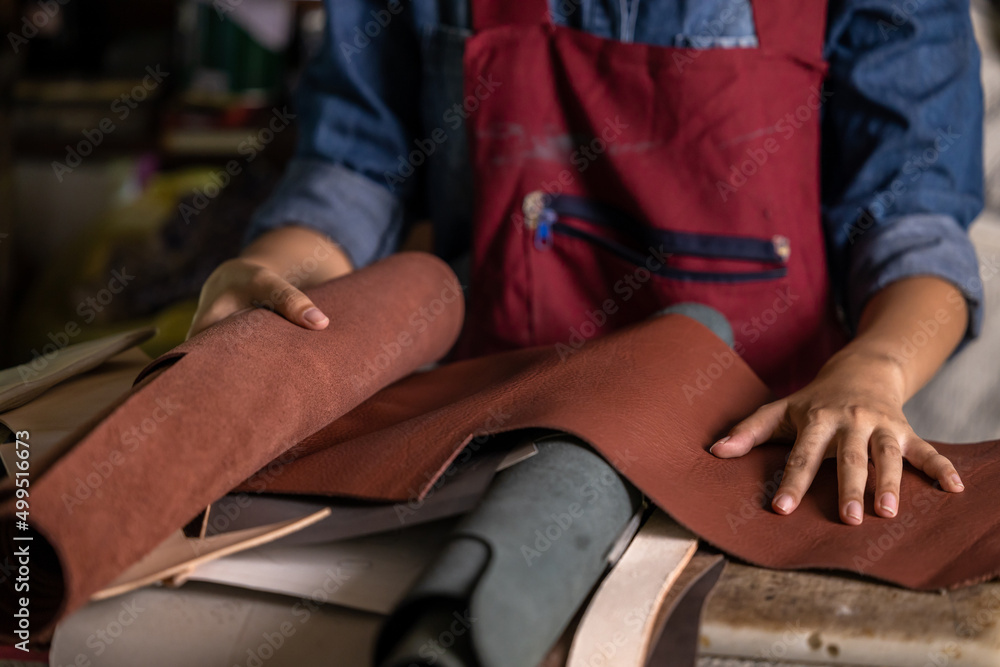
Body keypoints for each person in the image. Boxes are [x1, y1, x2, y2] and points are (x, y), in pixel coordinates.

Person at [190, 0, 984, 526]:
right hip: (485, 438)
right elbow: (358, 164)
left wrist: (874, 369)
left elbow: (911, 218)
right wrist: (275, 273)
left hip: (770, 458)